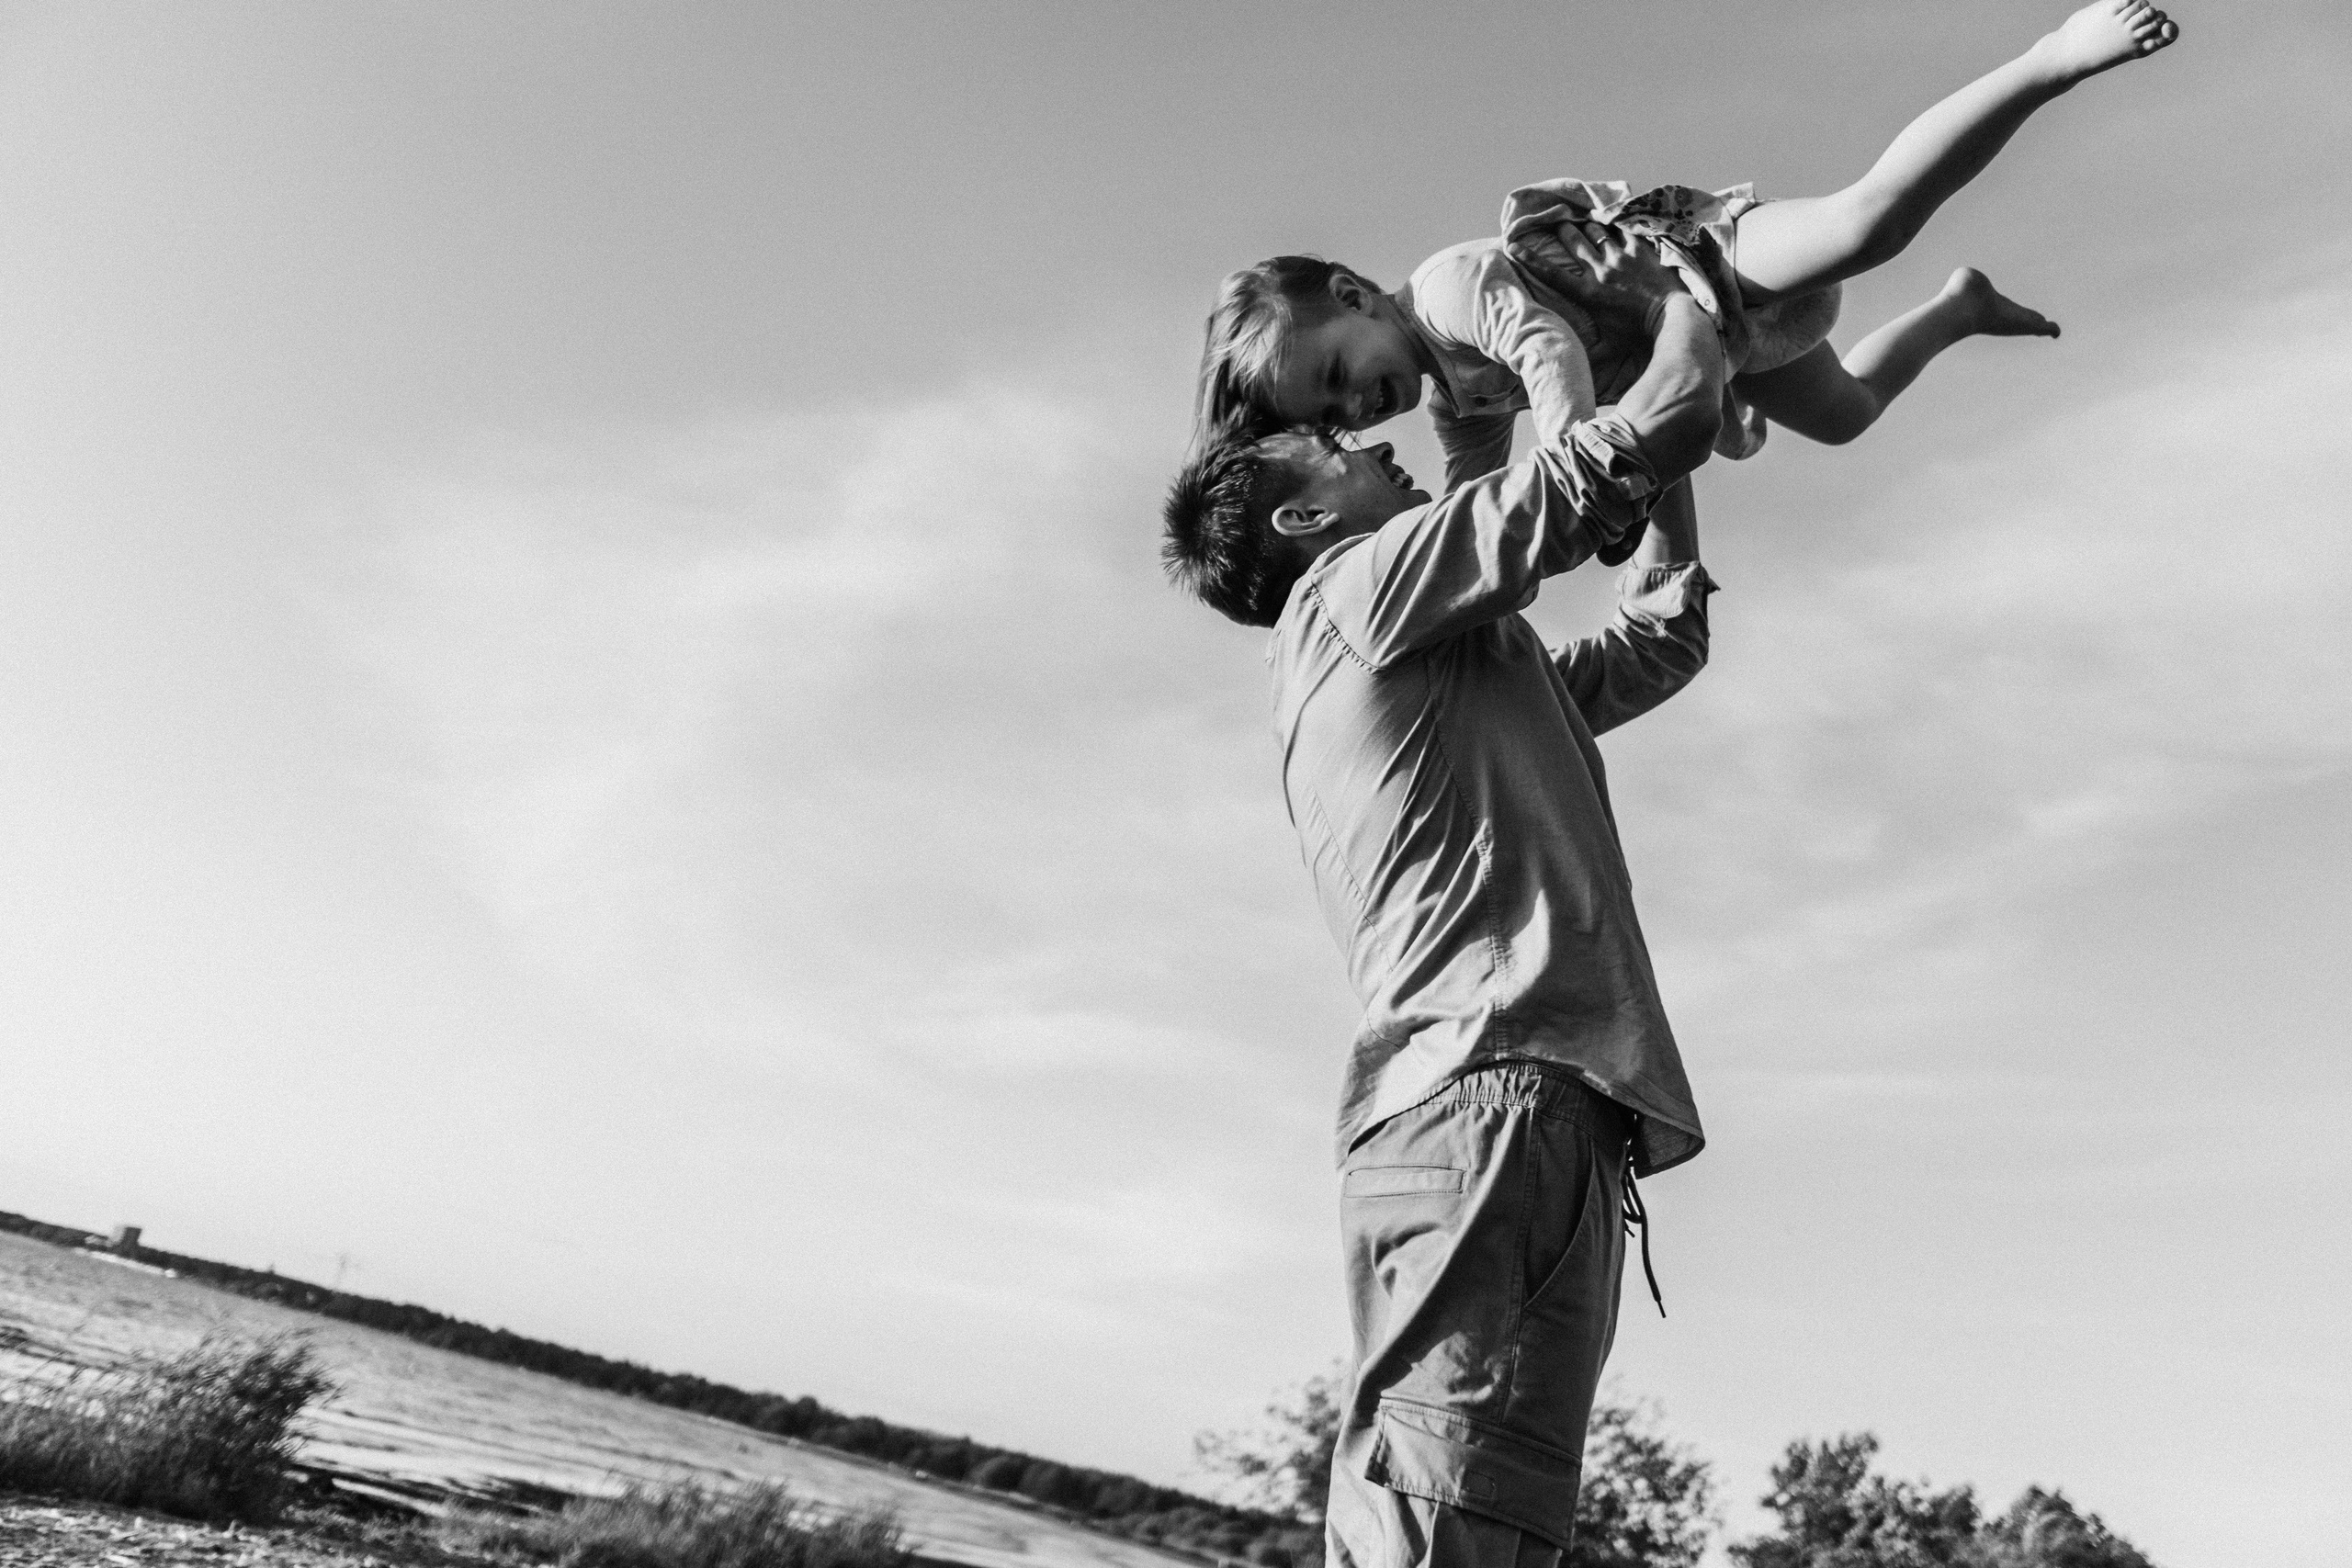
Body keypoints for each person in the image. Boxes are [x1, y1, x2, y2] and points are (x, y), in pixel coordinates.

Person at [1163, 238, 1720, 1568]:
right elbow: (1626, 446)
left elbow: (1659, 635)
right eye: (1339, 448)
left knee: (1450, 1525)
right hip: (1497, 1103)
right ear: (1305, 520)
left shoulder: (1438, 665)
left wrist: (1650, 458)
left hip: (1485, 1117)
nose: (1378, 441)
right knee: (1447, 1538)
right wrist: (1690, 311)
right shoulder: (1353, 595)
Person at [1193, 0, 2180, 492]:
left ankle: (2052, 57)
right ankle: (1958, 307)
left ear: (1356, 294)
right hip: (1718, 340)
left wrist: (1574, 449)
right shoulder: (1455, 405)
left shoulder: (1446, 293)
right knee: (1841, 420)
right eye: (1338, 417)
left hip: (1694, 259)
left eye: (1334, 373)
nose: (1358, 406)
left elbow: (1546, 351)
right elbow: (1476, 496)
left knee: (1863, 226)